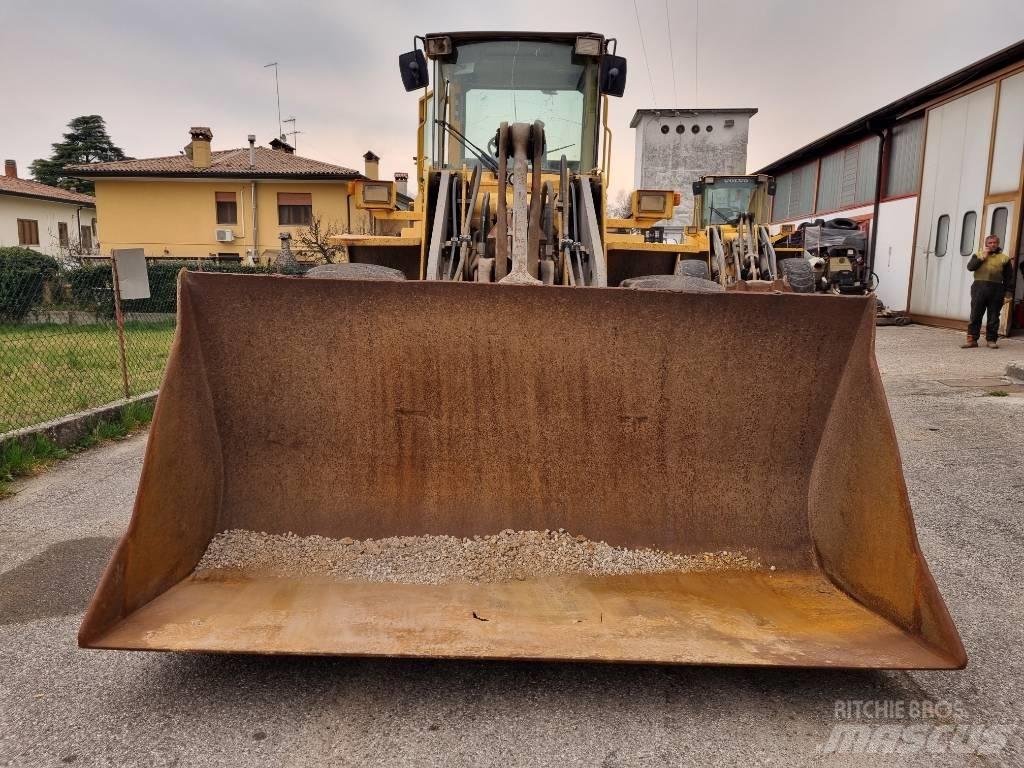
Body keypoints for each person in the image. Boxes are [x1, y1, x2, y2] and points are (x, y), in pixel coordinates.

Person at [962, 234, 1013, 349]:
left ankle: (991, 340)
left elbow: (1009, 278)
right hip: (979, 288)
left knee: (994, 316)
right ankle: (972, 340)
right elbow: (970, 267)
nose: (992, 245)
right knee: (975, 314)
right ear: (986, 244)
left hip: (996, 290)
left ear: (998, 244)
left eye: (994, 242)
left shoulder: (1004, 258)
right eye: (990, 243)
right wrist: (983, 257)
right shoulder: (978, 255)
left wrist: (1008, 293)